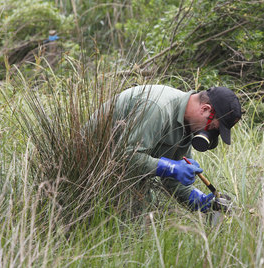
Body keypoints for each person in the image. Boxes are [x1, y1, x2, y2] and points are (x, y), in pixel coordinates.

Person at [93, 85, 242, 213]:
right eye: (213, 129)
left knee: (146, 213)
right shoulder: (158, 107)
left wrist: (202, 201)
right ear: (204, 109)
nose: (208, 135)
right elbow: (126, 157)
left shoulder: (188, 124)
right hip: (93, 169)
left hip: (120, 176)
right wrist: (172, 168)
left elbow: (172, 181)